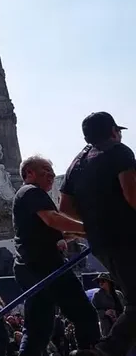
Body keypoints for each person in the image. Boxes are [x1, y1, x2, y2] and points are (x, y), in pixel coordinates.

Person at [59, 112, 136, 356]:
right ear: (113, 131)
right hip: (127, 236)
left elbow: (66, 210)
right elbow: (133, 195)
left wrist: (96, 223)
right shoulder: (119, 151)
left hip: (101, 243)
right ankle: (104, 351)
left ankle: (105, 351)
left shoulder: (76, 164)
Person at [12, 155, 100, 356]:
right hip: (44, 265)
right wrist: (91, 229)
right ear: (29, 173)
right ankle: (89, 351)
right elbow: (53, 219)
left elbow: (61, 231)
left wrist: (81, 232)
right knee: (84, 314)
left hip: (28, 265)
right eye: (45, 170)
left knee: (38, 328)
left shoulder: (29, 197)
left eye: (52, 172)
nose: (51, 175)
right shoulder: (31, 191)